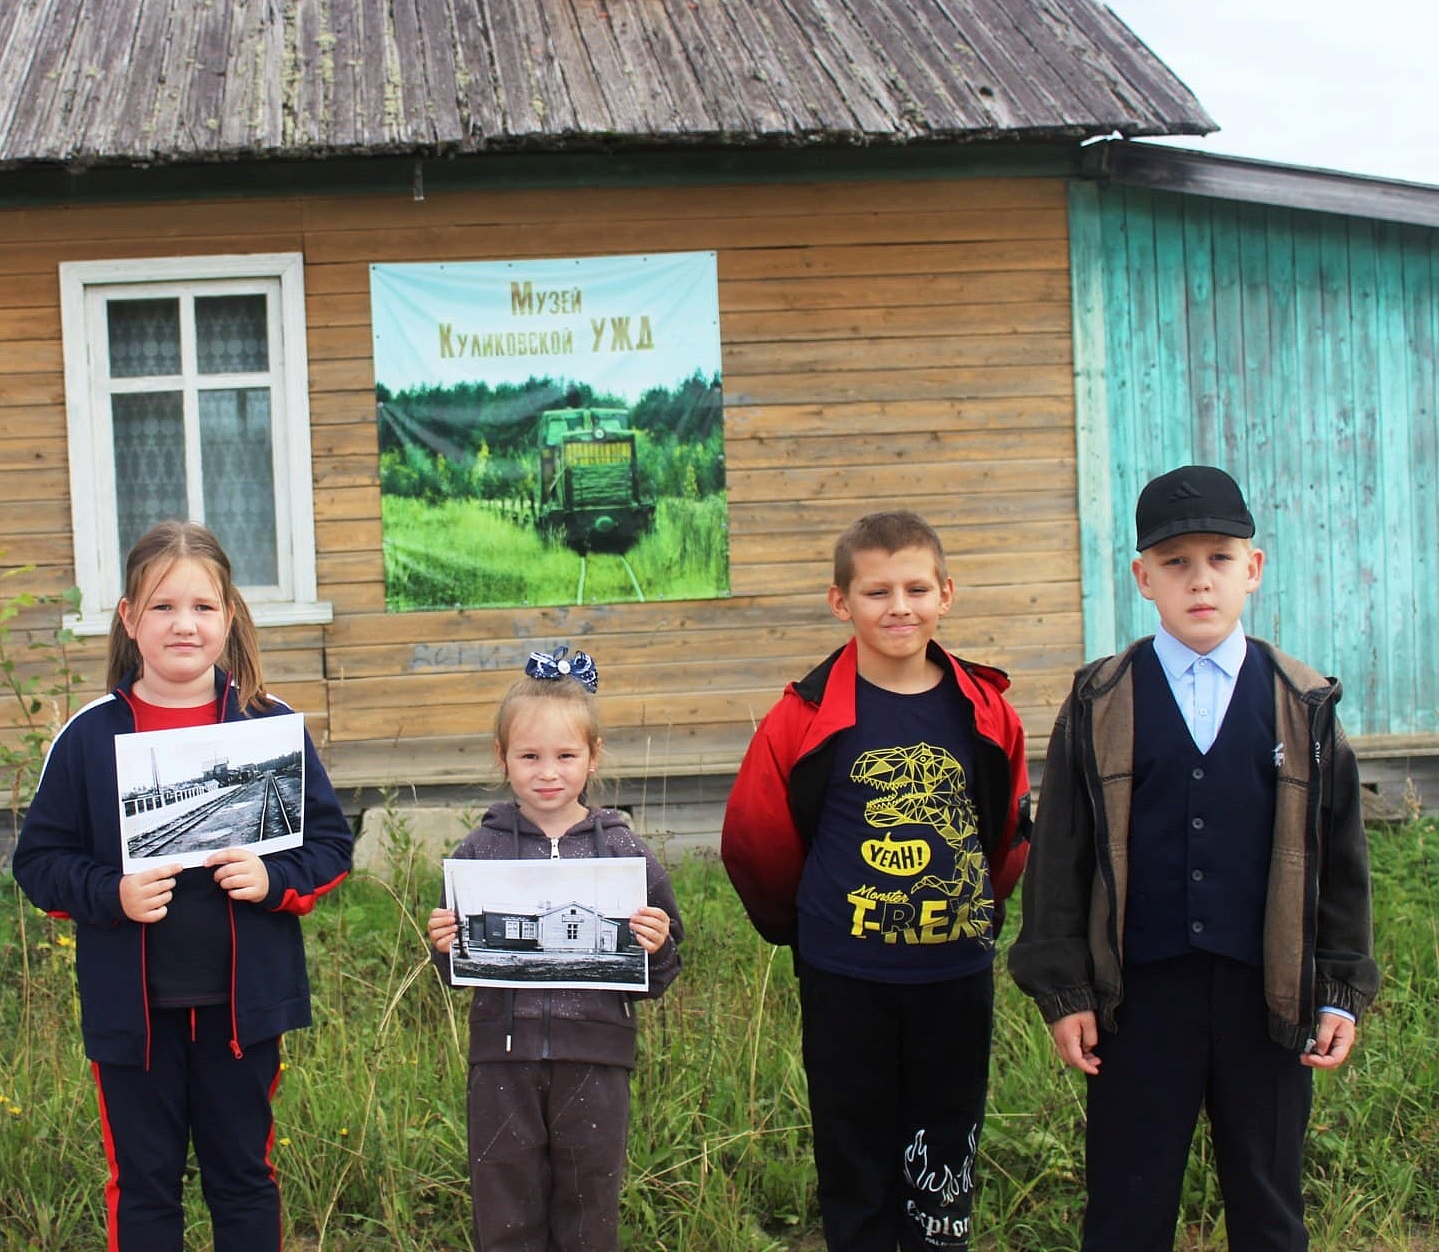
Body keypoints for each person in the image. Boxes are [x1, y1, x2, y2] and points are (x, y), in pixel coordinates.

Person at [1007, 465, 1377, 1252]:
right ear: (1144, 578)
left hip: (1266, 997)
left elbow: (1339, 858)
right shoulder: (1100, 702)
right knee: (1126, 1205)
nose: (1199, 581)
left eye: (1219, 558)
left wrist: (1340, 989)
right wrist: (1064, 988)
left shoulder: (1303, 703)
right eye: (1175, 563)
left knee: (1269, 1204)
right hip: (1138, 1000)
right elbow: (1060, 856)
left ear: (1254, 568)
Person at [11, 520, 353, 1252]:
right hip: (132, 1021)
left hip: (243, 1013)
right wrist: (113, 893)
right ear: (129, 618)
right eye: (163, 607)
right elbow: (38, 864)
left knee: (243, 1179)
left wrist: (272, 879)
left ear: (228, 616)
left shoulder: (269, 726)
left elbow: (331, 848)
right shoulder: (89, 737)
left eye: (202, 607)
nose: (184, 625)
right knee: (144, 1186)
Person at [721, 510, 1030, 1252]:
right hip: (844, 974)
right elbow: (756, 840)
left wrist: (977, 912)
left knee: (946, 1141)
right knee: (852, 1141)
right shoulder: (800, 717)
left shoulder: (986, 711)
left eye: (916, 589)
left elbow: (1007, 832)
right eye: (877, 592)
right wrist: (803, 927)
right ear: (841, 602)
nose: (899, 607)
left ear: (946, 594)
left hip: (955, 972)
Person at [427, 646, 684, 1252]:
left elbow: (662, 967)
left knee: (588, 1200)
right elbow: (460, 968)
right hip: (501, 1062)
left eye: (566, 756)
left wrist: (656, 946)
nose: (548, 772)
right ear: (503, 757)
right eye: (530, 756)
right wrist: (444, 946)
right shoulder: (479, 852)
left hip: (597, 1059)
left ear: (593, 757)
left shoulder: (623, 851)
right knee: (505, 1200)